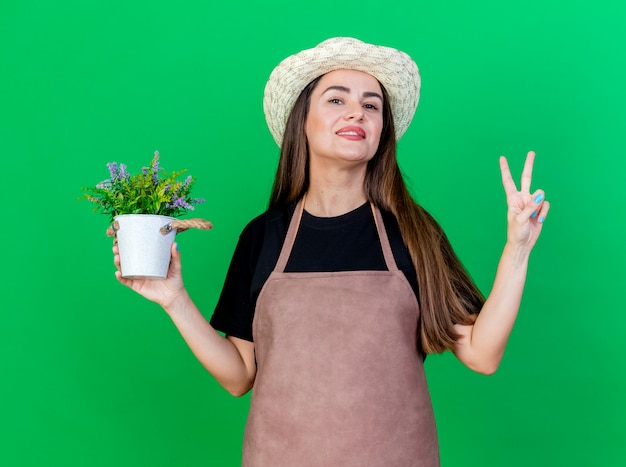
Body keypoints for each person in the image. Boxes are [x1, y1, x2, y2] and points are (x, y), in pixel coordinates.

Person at [113, 37, 550, 466]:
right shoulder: (263, 236)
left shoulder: (413, 233)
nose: (357, 112)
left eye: (372, 105)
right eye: (337, 100)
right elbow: (239, 375)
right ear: (302, 120)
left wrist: (517, 249)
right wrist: (175, 300)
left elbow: (481, 352)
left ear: (382, 131)